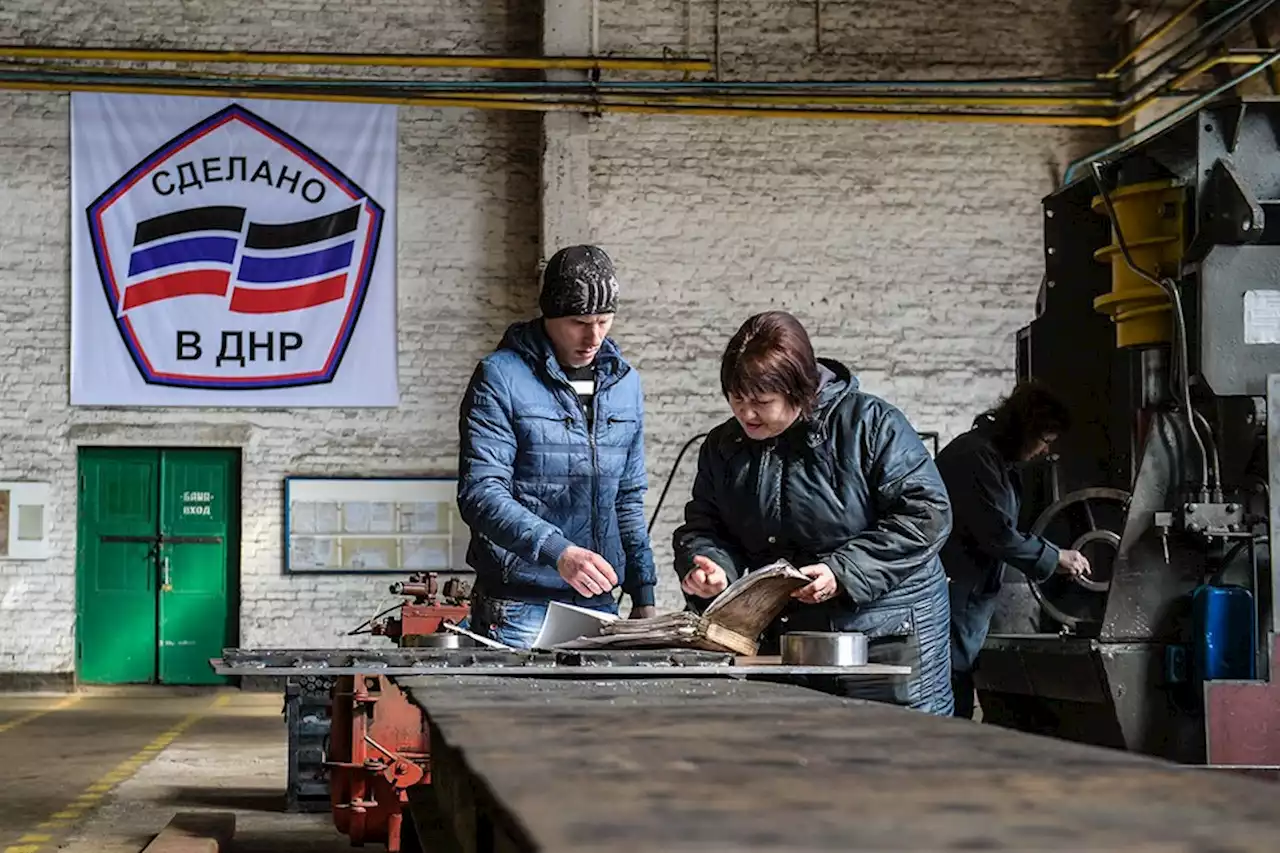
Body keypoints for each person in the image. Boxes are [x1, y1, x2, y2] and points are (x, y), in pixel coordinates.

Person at [673, 310, 955, 715]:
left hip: (887, 637)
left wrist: (843, 572)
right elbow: (704, 526)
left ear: (800, 391)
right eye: (736, 399)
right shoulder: (724, 446)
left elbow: (927, 514)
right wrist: (711, 568)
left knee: (897, 761)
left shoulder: (872, 426)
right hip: (793, 640)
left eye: (761, 402)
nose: (746, 414)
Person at [456, 244, 657, 648]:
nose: (593, 336)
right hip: (517, 607)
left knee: (597, 712)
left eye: (604, 321)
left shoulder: (625, 385)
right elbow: (481, 493)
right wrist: (558, 552)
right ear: (549, 315)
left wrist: (644, 594)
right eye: (579, 322)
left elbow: (627, 499)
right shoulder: (500, 377)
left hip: (599, 604)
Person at [935, 380, 1092, 719]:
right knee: (950, 685)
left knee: (957, 680)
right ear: (1025, 427)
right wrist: (1055, 557)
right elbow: (999, 534)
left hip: (969, 594)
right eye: (1044, 440)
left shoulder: (993, 459)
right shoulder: (975, 457)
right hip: (954, 593)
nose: (1044, 452)